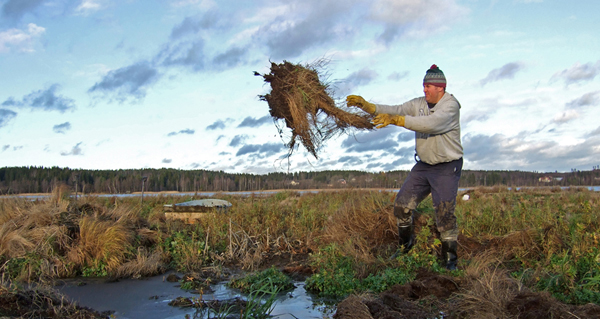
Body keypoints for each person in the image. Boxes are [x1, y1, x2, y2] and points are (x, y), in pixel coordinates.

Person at [346, 64, 463, 270]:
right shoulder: (419, 104)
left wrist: (398, 121)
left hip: (446, 167)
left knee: (444, 213)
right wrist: (367, 106)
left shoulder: (450, 106)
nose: (424, 90)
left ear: (440, 88)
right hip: (424, 166)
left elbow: (432, 124)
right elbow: (395, 110)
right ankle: (405, 250)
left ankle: (449, 263)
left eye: (428, 86)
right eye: (423, 86)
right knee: (402, 205)